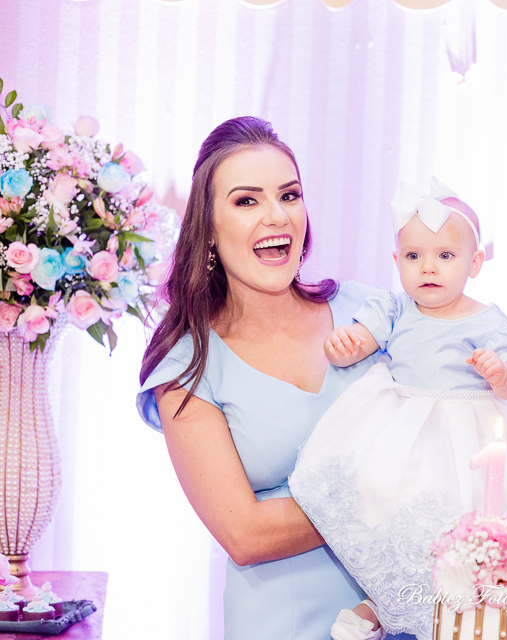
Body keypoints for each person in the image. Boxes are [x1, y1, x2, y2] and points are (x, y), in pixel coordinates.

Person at [289, 179, 507, 640]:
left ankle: (480, 613)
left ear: (474, 263)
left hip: (472, 441)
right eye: (414, 257)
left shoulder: (495, 322)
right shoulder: (395, 309)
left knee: (471, 528)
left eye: (445, 256)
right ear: (397, 263)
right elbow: (359, 343)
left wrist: (500, 372)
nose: (428, 267)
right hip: (404, 433)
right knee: (397, 516)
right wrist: (345, 344)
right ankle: (383, 599)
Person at [137, 117, 411, 639]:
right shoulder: (187, 366)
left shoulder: (371, 312)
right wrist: (397, 489)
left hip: (413, 618)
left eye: (289, 195)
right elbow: (246, 533)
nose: (276, 216)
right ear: (208, 230)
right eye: (246, 201)